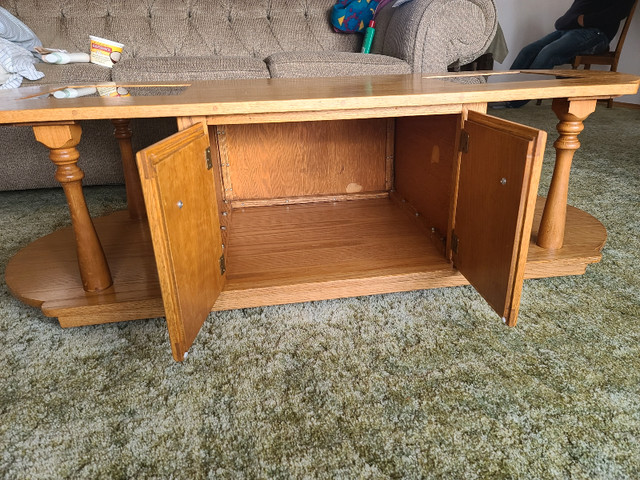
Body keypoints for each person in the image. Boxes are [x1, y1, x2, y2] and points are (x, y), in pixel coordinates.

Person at [507, 0, 636, 107]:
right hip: (571, 29)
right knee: (528, 51)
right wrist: (571, 21)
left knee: (548, 52)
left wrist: (584, 20)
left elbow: (618, 13)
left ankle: (515, 102)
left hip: (597, 34)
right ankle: (505, 93)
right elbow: (572, 13)